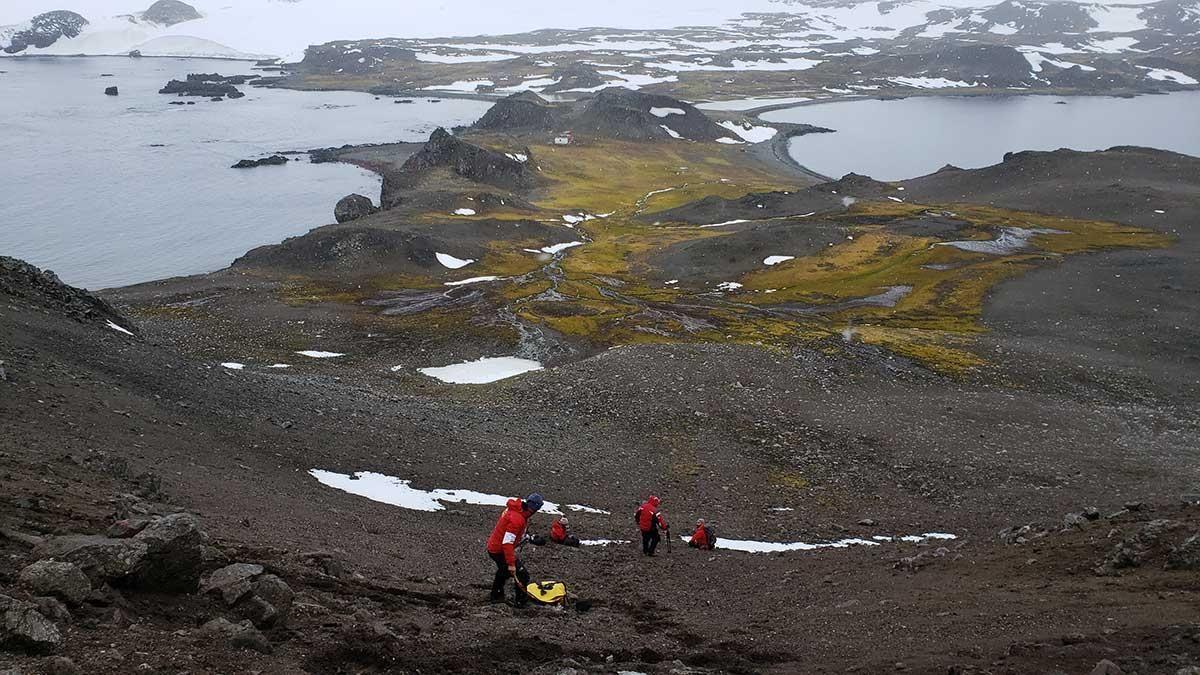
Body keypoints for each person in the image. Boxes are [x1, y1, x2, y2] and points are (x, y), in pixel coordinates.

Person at [486, 493, 544, 605]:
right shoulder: (518, 519)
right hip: (499, 550)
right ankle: (520, 602)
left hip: (494, 546)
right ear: (535, 508)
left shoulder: (516, 511)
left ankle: (496, 595)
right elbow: (507, 543)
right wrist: (511, 563)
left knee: (504, 571)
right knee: (522, 575)